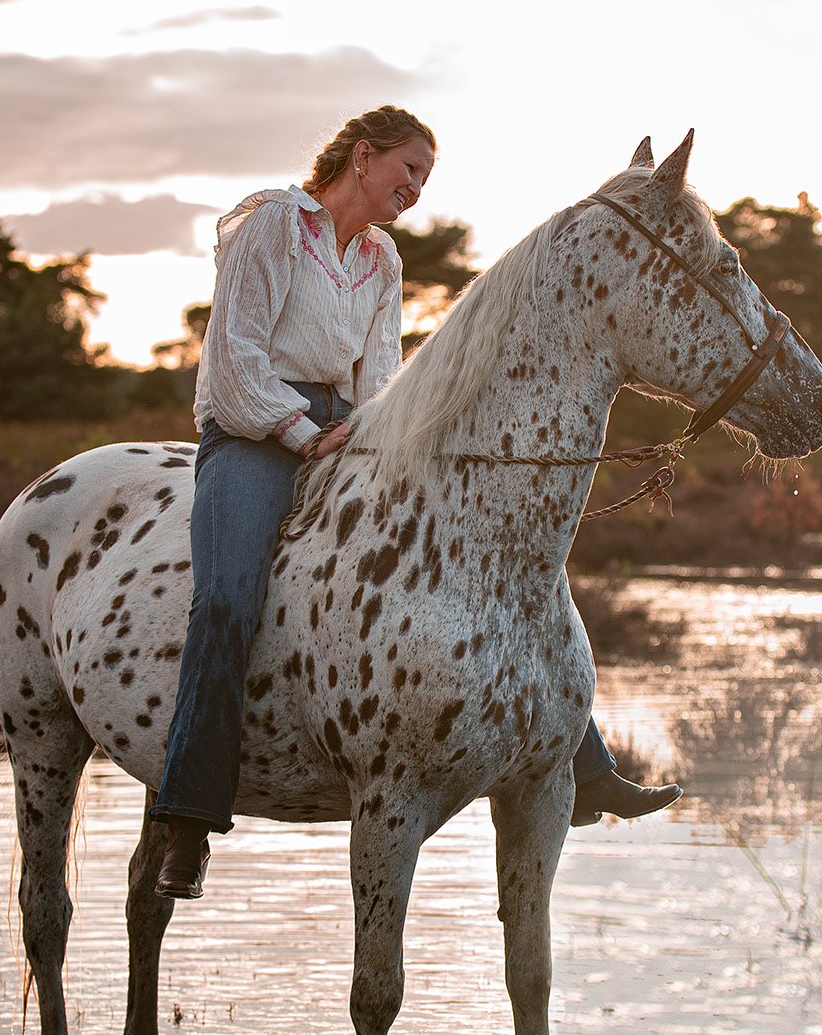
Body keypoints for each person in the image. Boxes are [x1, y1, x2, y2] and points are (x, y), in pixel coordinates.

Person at [151, 106, 679, 900]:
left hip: (348, 429)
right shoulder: (270, 228)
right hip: (253, 432)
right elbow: (233, 363)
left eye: (424, 178)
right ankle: (187, 820)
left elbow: (378, 373)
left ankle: (587, 762)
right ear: (362, 157)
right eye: (409, 169)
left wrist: (374, 435)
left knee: (502, 548)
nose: (415, 188)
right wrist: (300, 433)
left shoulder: (381, 260)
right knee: (226, 597)